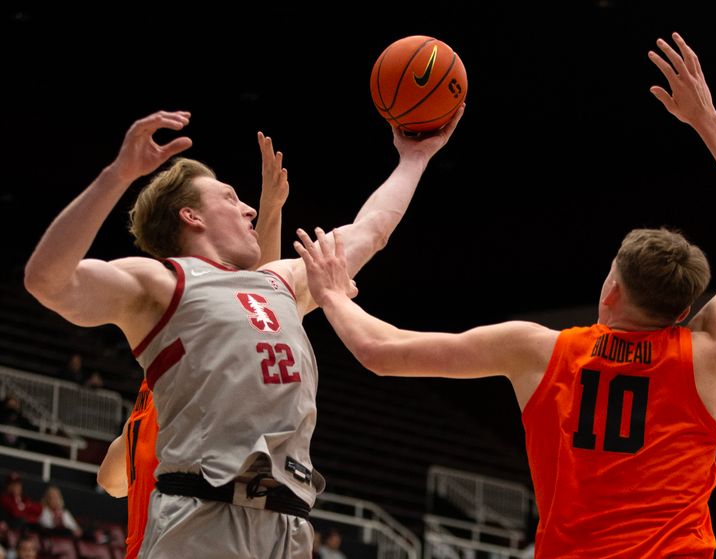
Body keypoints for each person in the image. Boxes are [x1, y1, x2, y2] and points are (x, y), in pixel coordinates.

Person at [294, 33, 716, 558]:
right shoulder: (709, 355)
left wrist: (331, 295)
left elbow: (382, 352)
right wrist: (707, 120)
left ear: (612, 290)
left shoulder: (542, 352)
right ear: (684, 310)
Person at [25, 103, 463, 559]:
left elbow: (370, 230)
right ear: (191, 216)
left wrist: (413, 159)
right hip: (202, 518)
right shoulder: (164, 282)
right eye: (231, 199)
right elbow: (47, 280)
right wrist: (117, 175)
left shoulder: (281, 281)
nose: (249, 208)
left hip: (289, 524)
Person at [96, 129, 291, 559]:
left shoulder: (150, 405)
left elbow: (110, 481)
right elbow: (260, 313)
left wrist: (132, 444)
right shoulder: (185, 375)